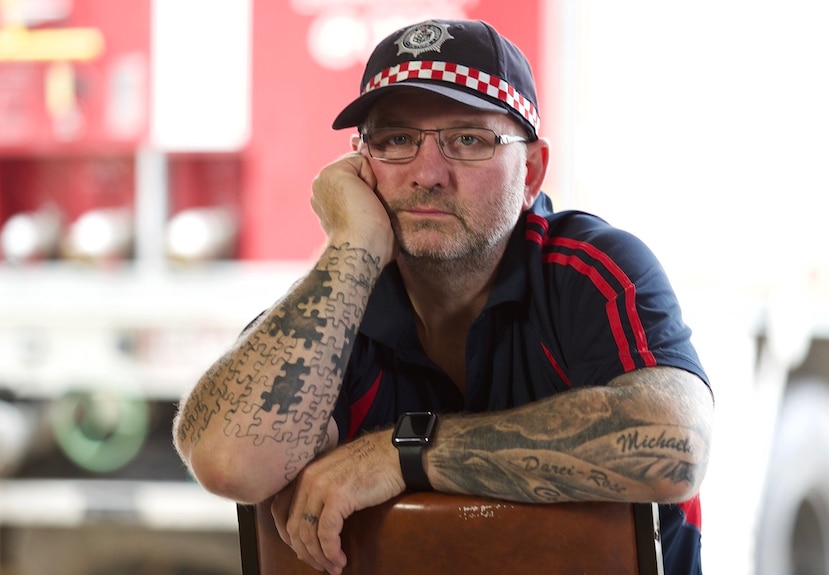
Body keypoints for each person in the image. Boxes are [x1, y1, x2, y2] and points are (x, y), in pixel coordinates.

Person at [173, 18, 714, 575]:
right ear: (361, 165)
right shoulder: (343, 300)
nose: (428, 173)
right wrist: (353, 241)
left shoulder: (589, 269)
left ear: (530, 171)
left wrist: (404, 453)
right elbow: (230, 461)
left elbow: (677, 445)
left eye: (468, 140)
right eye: (396, 140)